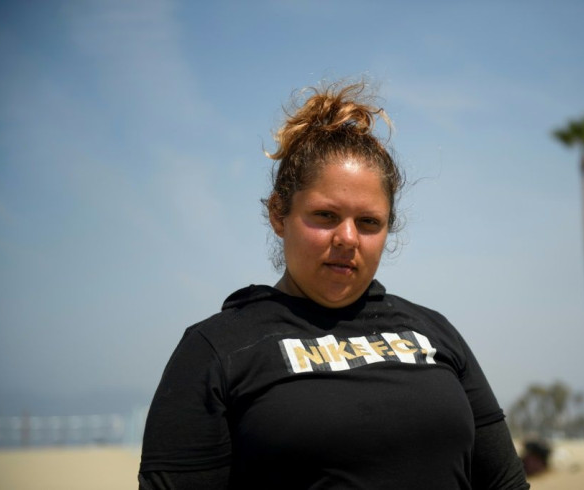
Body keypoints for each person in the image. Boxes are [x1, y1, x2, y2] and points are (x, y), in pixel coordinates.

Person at [138, 80, 530, 489]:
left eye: (368, 222)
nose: (347, 238)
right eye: (325, 216)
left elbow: (505, 483)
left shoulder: (434, 332)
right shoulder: (216, 351)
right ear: (278, 213)